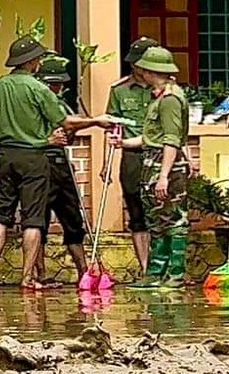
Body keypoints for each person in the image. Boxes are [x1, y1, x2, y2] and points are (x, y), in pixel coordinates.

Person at [0, 36, 108, 291]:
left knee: (1, 217)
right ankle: (27, 279)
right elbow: (66, 122)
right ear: (32, 61)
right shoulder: (37, 89)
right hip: (34, 157)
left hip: (4, 157)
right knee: (33, 220)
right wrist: (96, 121)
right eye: (38, 58)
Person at [118, 46, 192, 288]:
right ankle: (156, 272)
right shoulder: (159, 97)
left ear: (151, 71)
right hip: (151, 162)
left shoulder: (170, 100)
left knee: (173, 220)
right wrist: (123, 143)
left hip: (164, 164)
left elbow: (171, 140)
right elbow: (151, 136)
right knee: (156, 221)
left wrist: (163, 177)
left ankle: (175, 273)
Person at [36, 55, 94, 287]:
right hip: (40, 163)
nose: (57, 88)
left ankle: (84, 272)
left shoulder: (62, 104)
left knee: (72, 218)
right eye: (53, 84)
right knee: (39, 221)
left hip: (61, 165)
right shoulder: (35, 100)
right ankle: (39, 274)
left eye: (60, 84)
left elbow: (69, 134)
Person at [107, 37, 161, 277]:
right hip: (132, 156)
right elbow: (112, 127)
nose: (138, 68)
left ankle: (165, 267)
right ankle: (146, 268)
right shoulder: (119, 91)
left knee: (162, 212)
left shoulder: (164, 90)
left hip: (159, 153)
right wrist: (104, 162)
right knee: (137, 213)